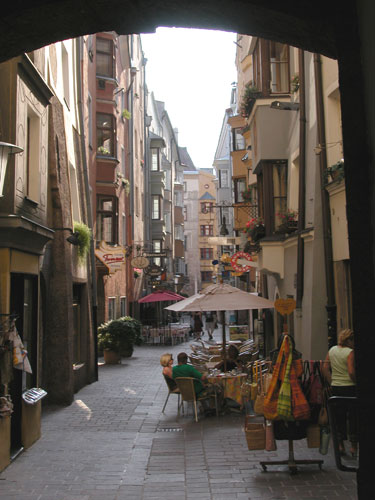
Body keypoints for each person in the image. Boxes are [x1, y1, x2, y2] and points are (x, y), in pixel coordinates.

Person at [321, 329, 358, 457]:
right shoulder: (350, 352)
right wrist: (356, 382)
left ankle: (341, 445)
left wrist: (332, 381)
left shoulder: (332, 350)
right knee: (353, 417)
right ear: (349, 340)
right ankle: (353, 447)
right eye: (353, 340)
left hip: (336, 388)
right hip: (350, 387)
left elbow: (325, 367)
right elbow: (351, 371)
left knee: (339, 417)